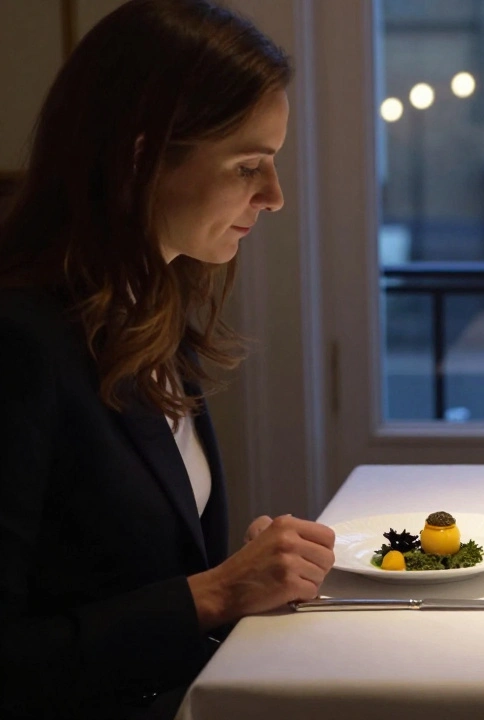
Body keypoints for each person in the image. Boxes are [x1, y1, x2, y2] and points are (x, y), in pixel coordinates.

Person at [0, 1, 336, 717]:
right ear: (139, 157)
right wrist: (216, 592)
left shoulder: (146, 312)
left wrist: (239, 576)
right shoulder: (20, 343)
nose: (274, 198)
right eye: (249, 165)